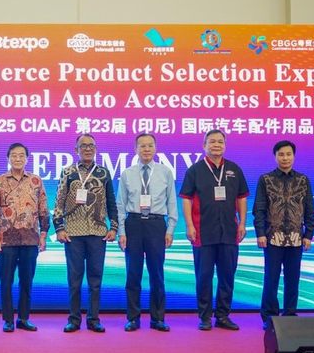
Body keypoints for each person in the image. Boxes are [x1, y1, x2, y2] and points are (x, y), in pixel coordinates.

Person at [180, 129, 249, 331]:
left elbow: (241, 198)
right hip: (203, 232)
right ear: (204, 146)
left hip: (229, 232)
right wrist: (189, 225)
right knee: (204, 277)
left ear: (225, 146)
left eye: (220, 142)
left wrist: (242, 223)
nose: (216, 145)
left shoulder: (234, 169)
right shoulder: (195, 170)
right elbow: (186, 199)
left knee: (227, 276)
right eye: (212, 141)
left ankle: (223, 316)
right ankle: (205, 317)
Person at [54, 134, 118, 333]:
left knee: (95, 279)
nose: (88, 149)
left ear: (96, 149)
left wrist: (114, 227)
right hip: (73, 233)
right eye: (83, 146)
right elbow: (59, 202)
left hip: (98, 233)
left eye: (91, 146)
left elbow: (111, 202)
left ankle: (93, 319)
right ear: (76, 150)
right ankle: (74, 319)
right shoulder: (68, 172)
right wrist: (59, 228)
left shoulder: (103, 173)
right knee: (74, 279)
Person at [116, 133, 177, 332]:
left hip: (156, 225)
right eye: (142, 146)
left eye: (150, 145)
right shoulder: (127, 173)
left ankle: (157, 318)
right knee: (133, 274)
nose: (146, 149)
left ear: (155, 148)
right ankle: (133, 318)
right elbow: (120, 204)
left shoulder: (165, 172)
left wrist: (170, 229)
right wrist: (122, 231)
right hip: (133, 224)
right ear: (135, 149)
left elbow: (172, 202)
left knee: (157, 274)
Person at [253, 140, 314, 330]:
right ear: (275, 157)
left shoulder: (303, 180)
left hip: (297, 239)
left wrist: (309, 234)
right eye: (281, 154)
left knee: (292, 279)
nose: (285, 158)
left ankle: (290, 314)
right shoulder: (266, 179)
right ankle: (269, 317)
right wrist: (260, 233)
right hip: (272, 238)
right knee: (271, 279)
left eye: (288, 154)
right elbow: (259, 209)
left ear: (294, 156)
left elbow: (309, 210)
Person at [0, 142, 50, 332]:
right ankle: (8, 319)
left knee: (26, 280)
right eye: (14, 155)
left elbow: (43, 209)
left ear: (27, 158)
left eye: (21, 155)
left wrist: (44, 234)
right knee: (6, 281)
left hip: (30, 239)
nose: (17, 158)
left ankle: (23, 318)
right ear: (8, 158)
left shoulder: (36, 181)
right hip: (6, 240)